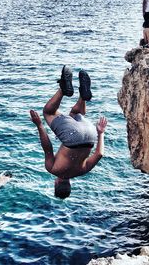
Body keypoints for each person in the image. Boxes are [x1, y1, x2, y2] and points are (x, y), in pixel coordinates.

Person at [30, 66, 107, 199]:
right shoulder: (53, 169)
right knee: (48, 112)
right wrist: (39, 125)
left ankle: (83, 97)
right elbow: (47, 147)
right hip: (72, 138)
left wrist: (100, 133)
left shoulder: (82, 171)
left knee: (74, 114)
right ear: (56, 183)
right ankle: (63, 89)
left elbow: (99, 154)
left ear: (70, 184)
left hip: (90, 136)